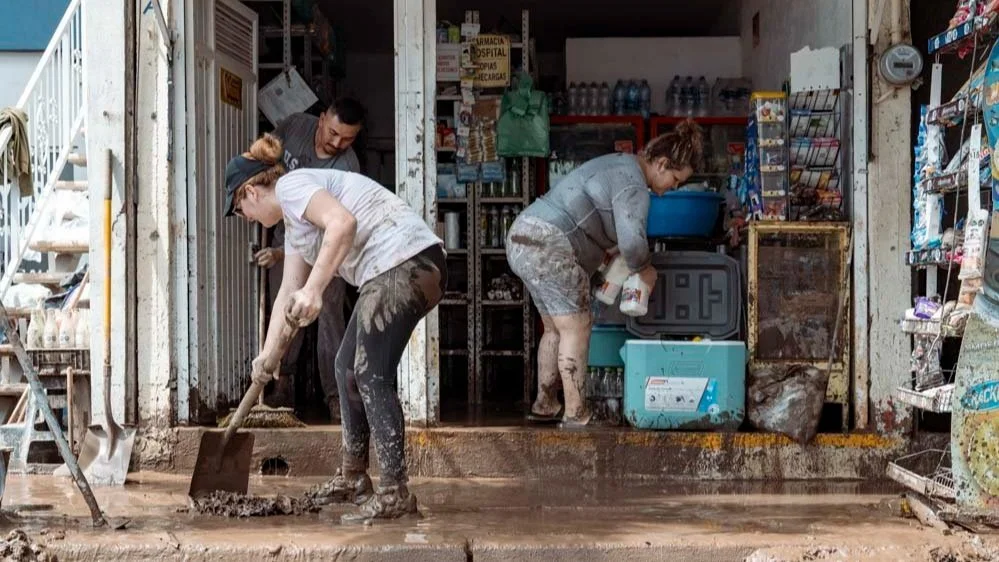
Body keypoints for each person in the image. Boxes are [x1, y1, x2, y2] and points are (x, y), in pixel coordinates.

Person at [223, 133, 446, 522]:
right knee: (346, 369)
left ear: (251, 193)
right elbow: (287, 294)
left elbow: (343, 223)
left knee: (368, 370)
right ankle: (354, 477)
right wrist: (269, 354)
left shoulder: (292, 186)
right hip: (395, 270)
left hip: (408, 262)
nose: (247, 220)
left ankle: (394, 491)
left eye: (240, 210)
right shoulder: (296, 225)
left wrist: (315, 290)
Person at [506, 119, 704, 429]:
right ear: (662, 164)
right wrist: (645, 269)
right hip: (550, 242)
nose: (672, 190)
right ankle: (576, 412)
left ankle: (546, 403)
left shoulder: (619, 164)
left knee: (554, 329)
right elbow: (633, 243)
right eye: (676, 180)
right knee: (578, 326)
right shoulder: (634, 184)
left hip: (523, 235)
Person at [254, 97, 365, 421]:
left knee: (329, 315)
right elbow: (265, 158)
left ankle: (336, 395)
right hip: (285, 239)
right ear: (320, 120)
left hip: (327, 249)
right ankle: (280, 386)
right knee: (286, 306)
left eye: (348, 139)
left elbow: (335, 227)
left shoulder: (348, 165)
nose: (337, 143)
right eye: (333, 133)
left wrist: (311, 281)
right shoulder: (294, 125)